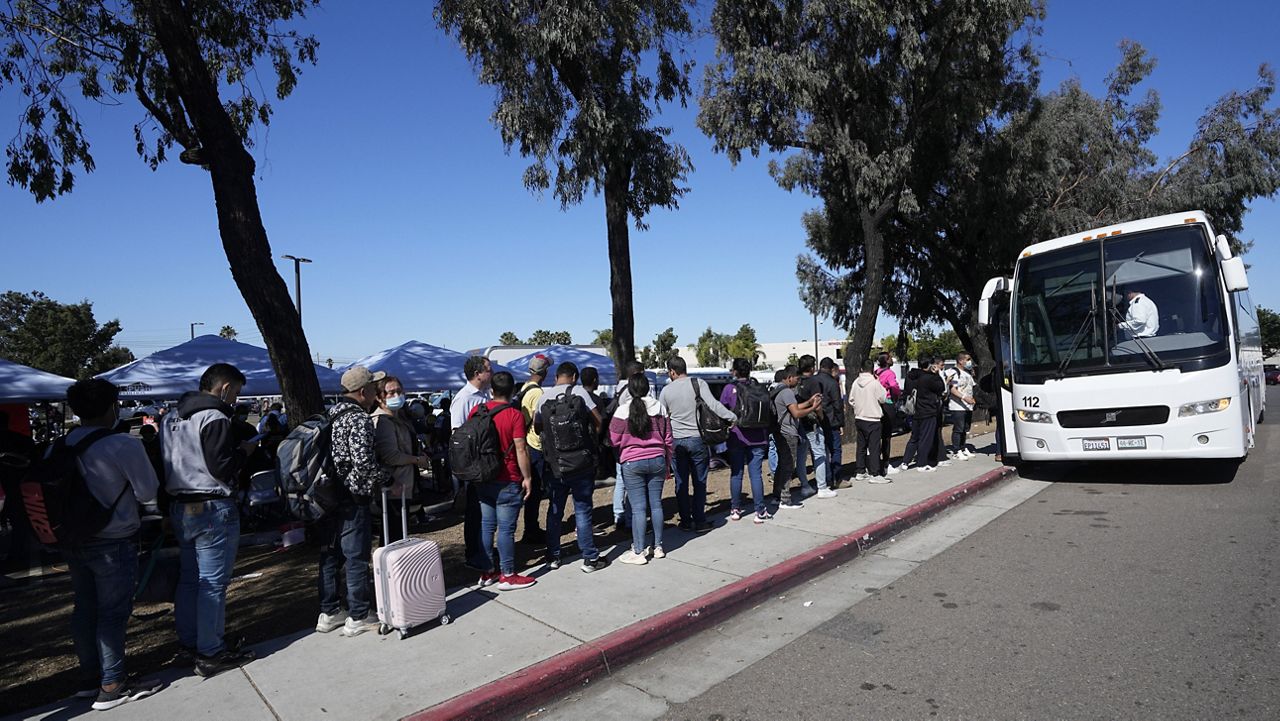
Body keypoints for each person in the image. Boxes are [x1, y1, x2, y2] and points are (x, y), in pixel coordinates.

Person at [61, 379, 163, 710]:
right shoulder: (122, 444)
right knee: (112, 614)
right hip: (113, 540)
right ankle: (113, 684)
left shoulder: (63, 444)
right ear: (112, 406)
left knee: (84, 609)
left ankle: (89, 679)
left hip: (74, 538)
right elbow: (148, 492)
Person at [160, 363, 258, 676]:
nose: (235, 400)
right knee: (213, 583)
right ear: (225, 386)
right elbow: (222, 467)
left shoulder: (171, 417)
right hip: (212, 506)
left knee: (191, 580)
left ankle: (191, 642)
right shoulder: (214, 417)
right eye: (237, 392)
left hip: (180, 504)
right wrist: (245, 451)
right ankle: (211, 650)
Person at [315, 365, 391, 638]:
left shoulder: (331, 414)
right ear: (363, 391)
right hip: (351, 496)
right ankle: (359, 614)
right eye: (373, 387)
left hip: (327, 495)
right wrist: (385, 476)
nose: (377, 391)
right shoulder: (358, 419)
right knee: (355, 557)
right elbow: (363, 462)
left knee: (330, 555)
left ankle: (330, 611)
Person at [535, 362, 610, 572]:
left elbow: (536, 426)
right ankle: (590, 558)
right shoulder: (580, 393)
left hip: (555, 463)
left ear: (556, 376)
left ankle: (553, 556)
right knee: (583, 509)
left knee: (555, 510)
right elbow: (599, 418)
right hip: (581, 461)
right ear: (575, 376)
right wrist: (590, 438)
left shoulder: (544, 397)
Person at [470, 371, 537, 590]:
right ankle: (508, 574)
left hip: (483, 477)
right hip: (507, 477)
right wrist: (527, 477)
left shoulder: (476, 411)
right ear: (512, 391)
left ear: (492, 390)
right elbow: (520, 448)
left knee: (487, 526)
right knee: (506, 529)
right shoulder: (514, 415)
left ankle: (487, 571)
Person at [658, 356, 737, 532]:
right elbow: (714, 405)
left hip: (676, 442)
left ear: (672, 371)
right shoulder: (698, 383)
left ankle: (686, 521)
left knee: (681, 482)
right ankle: (700, 520)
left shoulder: (666, 391)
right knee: (699, 481)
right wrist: (731, 417)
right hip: (697, 439)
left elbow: (662, 418)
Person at [610, 373, 673, 564]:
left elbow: (613, 439)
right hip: (657, 459)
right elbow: (668, 438)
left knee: (638, 508)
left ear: (629, 389)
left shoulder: (622, 410)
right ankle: (658, 546)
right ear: (648, 388)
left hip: (632, 461)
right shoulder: (659, 407)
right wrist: (668, 463)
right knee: (656, 504)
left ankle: (638, 551)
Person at [371, 375, 429, 545]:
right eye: (391, 392)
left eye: (399, 391)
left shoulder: (398, 418)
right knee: (392, 537)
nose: (396, 396)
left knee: (399, 535)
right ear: (379, 396)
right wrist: (417, 460)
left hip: (404, 485)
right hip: (392, 487)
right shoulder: (382, 421)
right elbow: (390, 455)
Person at [450, 356, 492, 570]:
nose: (491, 373)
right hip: (474, 464)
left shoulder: (486, 394)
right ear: (478, 374)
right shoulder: (464, 398)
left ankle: (484, 548)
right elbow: (457, 434)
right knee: (474, 511)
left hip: (488, 462)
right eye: (488, 369)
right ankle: (473, 553)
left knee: (486, 510)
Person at [719, 358, 770, 523]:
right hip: (758, 437)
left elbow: (722, 410)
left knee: (736, 474)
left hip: (737, 436)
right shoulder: (758, 387)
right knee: (756, 475)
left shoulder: (729, 388)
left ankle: (735, 509)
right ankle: (759, 510)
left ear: (734, 371)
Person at [771, 365, 822, 510]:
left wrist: (809, 401)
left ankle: (777, 495)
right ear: (789, 378)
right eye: (797, 378)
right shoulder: (787, 391)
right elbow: (796, 413)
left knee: (782, 465)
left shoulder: (778, 390)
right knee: (788, 466)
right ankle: (785, 499)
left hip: (780, 431)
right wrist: (814, 407)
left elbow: (794, 407)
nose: (798, 381)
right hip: (788, 432)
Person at [604, 360, 648, 530]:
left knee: (621, 478)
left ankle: (618, 514)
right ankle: (630, 519)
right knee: (633, 482)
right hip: (631, 441)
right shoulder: (631, 393)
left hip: (618, 440)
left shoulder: (618, 387)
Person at [515, 354, 551, 544]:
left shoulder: (525, 388)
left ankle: (531, 527)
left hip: (528, 444)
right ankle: (531, 529)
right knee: (534, 491)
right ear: (544, 372)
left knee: (533, 491)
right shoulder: (537, 393)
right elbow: (539, 422)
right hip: (535, 445)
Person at [890, 356, 947, 474]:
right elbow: (941, 388)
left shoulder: (911, 376)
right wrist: (937, 374)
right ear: (930, 365)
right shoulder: (929, 378)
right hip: (928, 410)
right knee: (926, 438)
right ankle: (922, 463)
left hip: (915, 411)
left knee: (914, 437)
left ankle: (905, 462)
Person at [796, 355, 836, 498]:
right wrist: (821, 417)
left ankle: (805, 485)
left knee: (801, 457)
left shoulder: (797, 381)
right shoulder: (814, 382)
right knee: (819, 454)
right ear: (812, 367)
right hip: (812, 423)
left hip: (799, 422)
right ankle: (822, 486)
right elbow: (817, 404)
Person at [848, 359, 889, 483]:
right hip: (873, 418)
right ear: (872, 369)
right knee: (874, 447)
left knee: (861, 446)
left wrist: (859, 406)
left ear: (861, 369)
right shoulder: (875, 383)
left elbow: (851, 400)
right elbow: (883, 398)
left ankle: (860, 471)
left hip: (860, 417)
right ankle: (874, 473)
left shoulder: (856, 382)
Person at [815, 357, 846, 485]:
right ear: (831, 368)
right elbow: (837, 404)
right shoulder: (832, 383)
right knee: (835, 450)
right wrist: (841, 423)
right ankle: (836, 478)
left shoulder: (814, 380)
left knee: (821, 452)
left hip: (816, 421)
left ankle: (824, 478)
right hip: (831, 421)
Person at [943, 352, 977, 460]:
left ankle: (963, 447)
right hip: (958, 406)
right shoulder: (953, 372)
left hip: (968, 406)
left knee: (965, 429)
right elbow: (952, 389)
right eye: (967, 359)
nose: (969, 362)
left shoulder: (967, 373)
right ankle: (956, 450)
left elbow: (972, 387)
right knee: (958, 428)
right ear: (961, 361)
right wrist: (964, 398)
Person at [873, 352, 901, 471]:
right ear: (886, 360)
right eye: (890, 358)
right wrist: (896, 396)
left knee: (877, 435)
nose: (892, 359)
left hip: (876, 404)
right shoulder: (890, 373)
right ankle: (886, 463)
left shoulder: (876, 373)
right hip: (888, 404)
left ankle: (875, 461)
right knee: (887, 436)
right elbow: (894, 386)